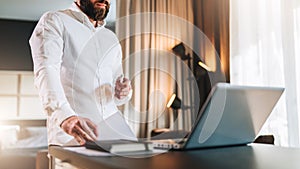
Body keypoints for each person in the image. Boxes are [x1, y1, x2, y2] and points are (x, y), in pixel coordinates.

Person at [29, 0, 133, 146]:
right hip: (73, 135)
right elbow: (46, 71)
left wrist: (124, 92)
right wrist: (65, 117)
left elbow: (117, 89)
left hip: (115, 134)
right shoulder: (55, 21)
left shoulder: (111, 38)